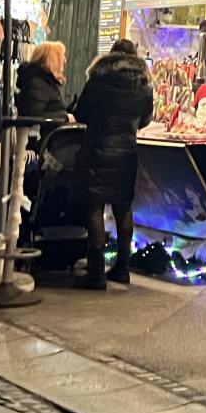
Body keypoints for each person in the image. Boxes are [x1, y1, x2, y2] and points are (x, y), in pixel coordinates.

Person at [68, 38, 154, 290]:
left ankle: (96, 274)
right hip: (126, 151)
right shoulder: (143, 83)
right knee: (123, 207)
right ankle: (122, 269)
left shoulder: (99, 78)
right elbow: (145, 119)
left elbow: (81, 112)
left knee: (94, 206)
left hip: (97, 148)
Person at [16, 41, 69, 122]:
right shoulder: (38, 82)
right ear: (53, 59)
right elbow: (33, 117)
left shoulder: (44, 81)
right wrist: (65, 117)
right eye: (62, 56)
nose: (65, 60)